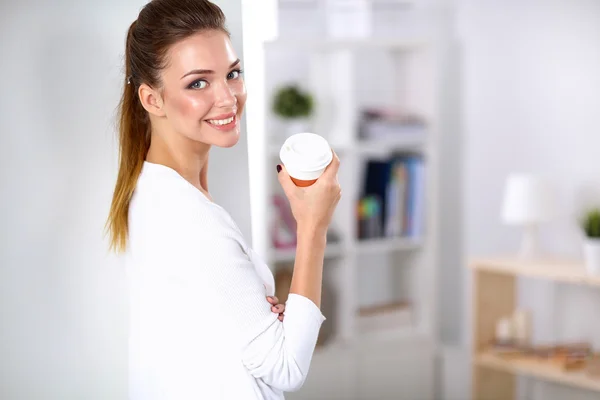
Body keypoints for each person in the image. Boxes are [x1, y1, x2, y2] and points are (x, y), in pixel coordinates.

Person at [104, 0, 342, 399]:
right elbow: (286, 369)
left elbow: (204, 324)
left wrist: (260, 315)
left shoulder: (151, 187)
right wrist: (312, 227)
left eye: (232, 73)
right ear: (152, 99)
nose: (228, 98)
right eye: (198, 82)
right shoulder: (190, 219)